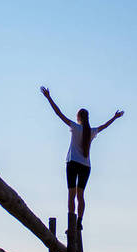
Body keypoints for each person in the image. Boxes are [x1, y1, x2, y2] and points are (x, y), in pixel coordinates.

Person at [40, 86, 124, 230]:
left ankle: (72, 224)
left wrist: (48, 98)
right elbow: (104, 126)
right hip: (86, 165)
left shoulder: (75, 127)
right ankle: (79, 221)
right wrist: (115, 117)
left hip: (72, 163)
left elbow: (59, 114)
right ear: (88, 118)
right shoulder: (91, 131)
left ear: (79, 117)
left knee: (71, 195)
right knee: (80, 195)